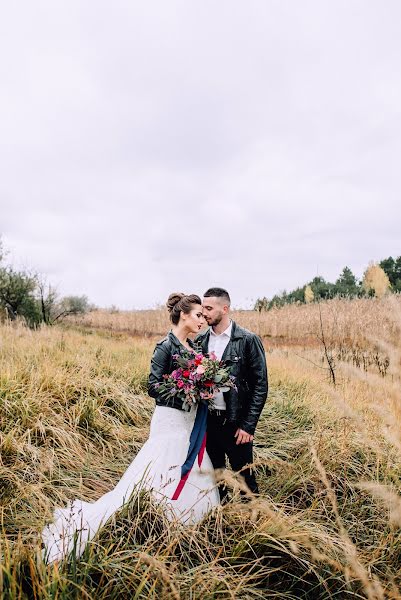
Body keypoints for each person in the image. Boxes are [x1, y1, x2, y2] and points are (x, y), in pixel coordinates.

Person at [42, 293, 219, 564]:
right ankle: (153, 518)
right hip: (170, 419)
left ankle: (189, 524)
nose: (201, 320)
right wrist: (184, 388)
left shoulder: (195, 349)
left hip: (189, 421)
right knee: (163, 465)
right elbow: (152, 386)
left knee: (192, 465)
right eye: (197, 315)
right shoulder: (165, 347)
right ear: (183, 315)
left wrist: (200, 387)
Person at [196, 287, 268, 502]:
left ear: (224, 308)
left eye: (209, 308)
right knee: (215, 476)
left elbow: (260, 385)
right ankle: (223, 515)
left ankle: (254, 520)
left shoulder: (247, 340)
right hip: (208, 421)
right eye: (203, 308)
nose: (204, 313)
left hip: (236, 423)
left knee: (245, 477)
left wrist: (248, 425)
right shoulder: (200, 342)